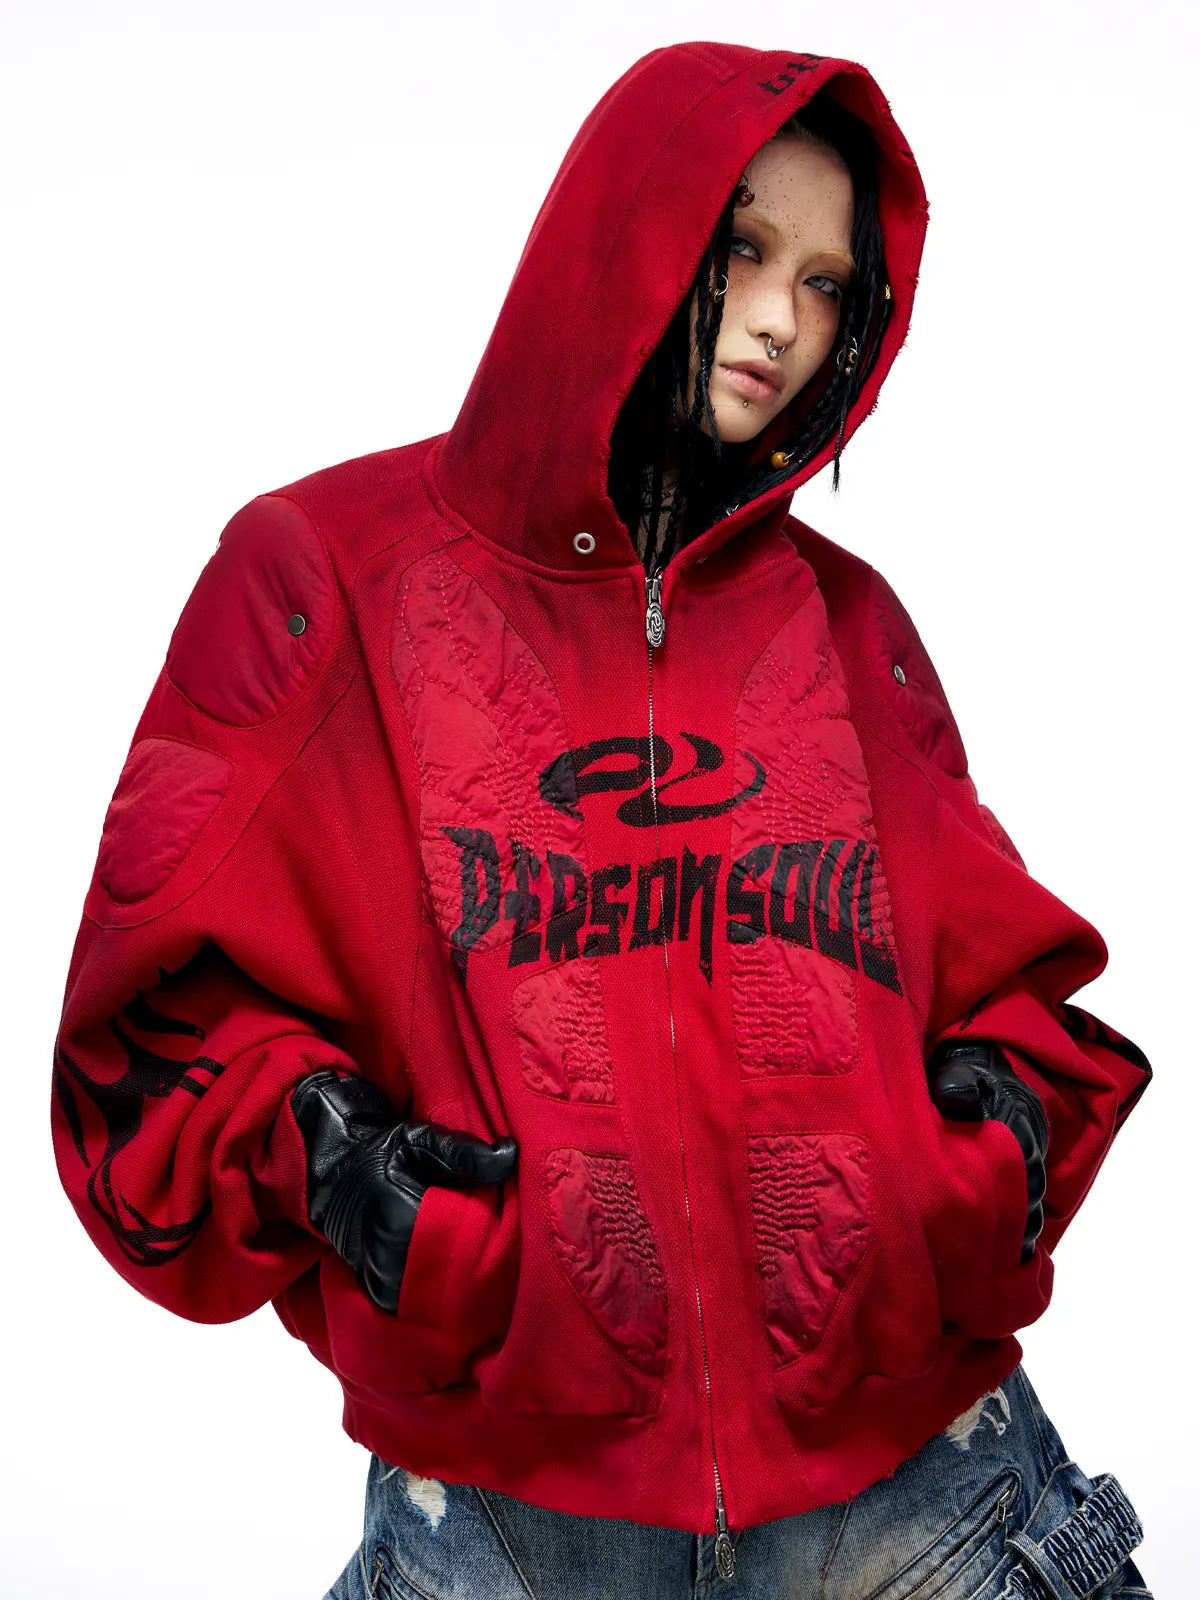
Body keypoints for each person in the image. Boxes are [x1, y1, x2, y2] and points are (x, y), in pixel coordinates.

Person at [49, 39, 1156, 1599]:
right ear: (618, 231)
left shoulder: (844, 620)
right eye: (743, 249)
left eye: (829, 284)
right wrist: (344, 1164)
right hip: (513, 1524)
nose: (782, 322)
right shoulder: (330, 576)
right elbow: (156, 1016)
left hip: (927, 1499)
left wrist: (980, 1152)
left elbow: (1008, 986)